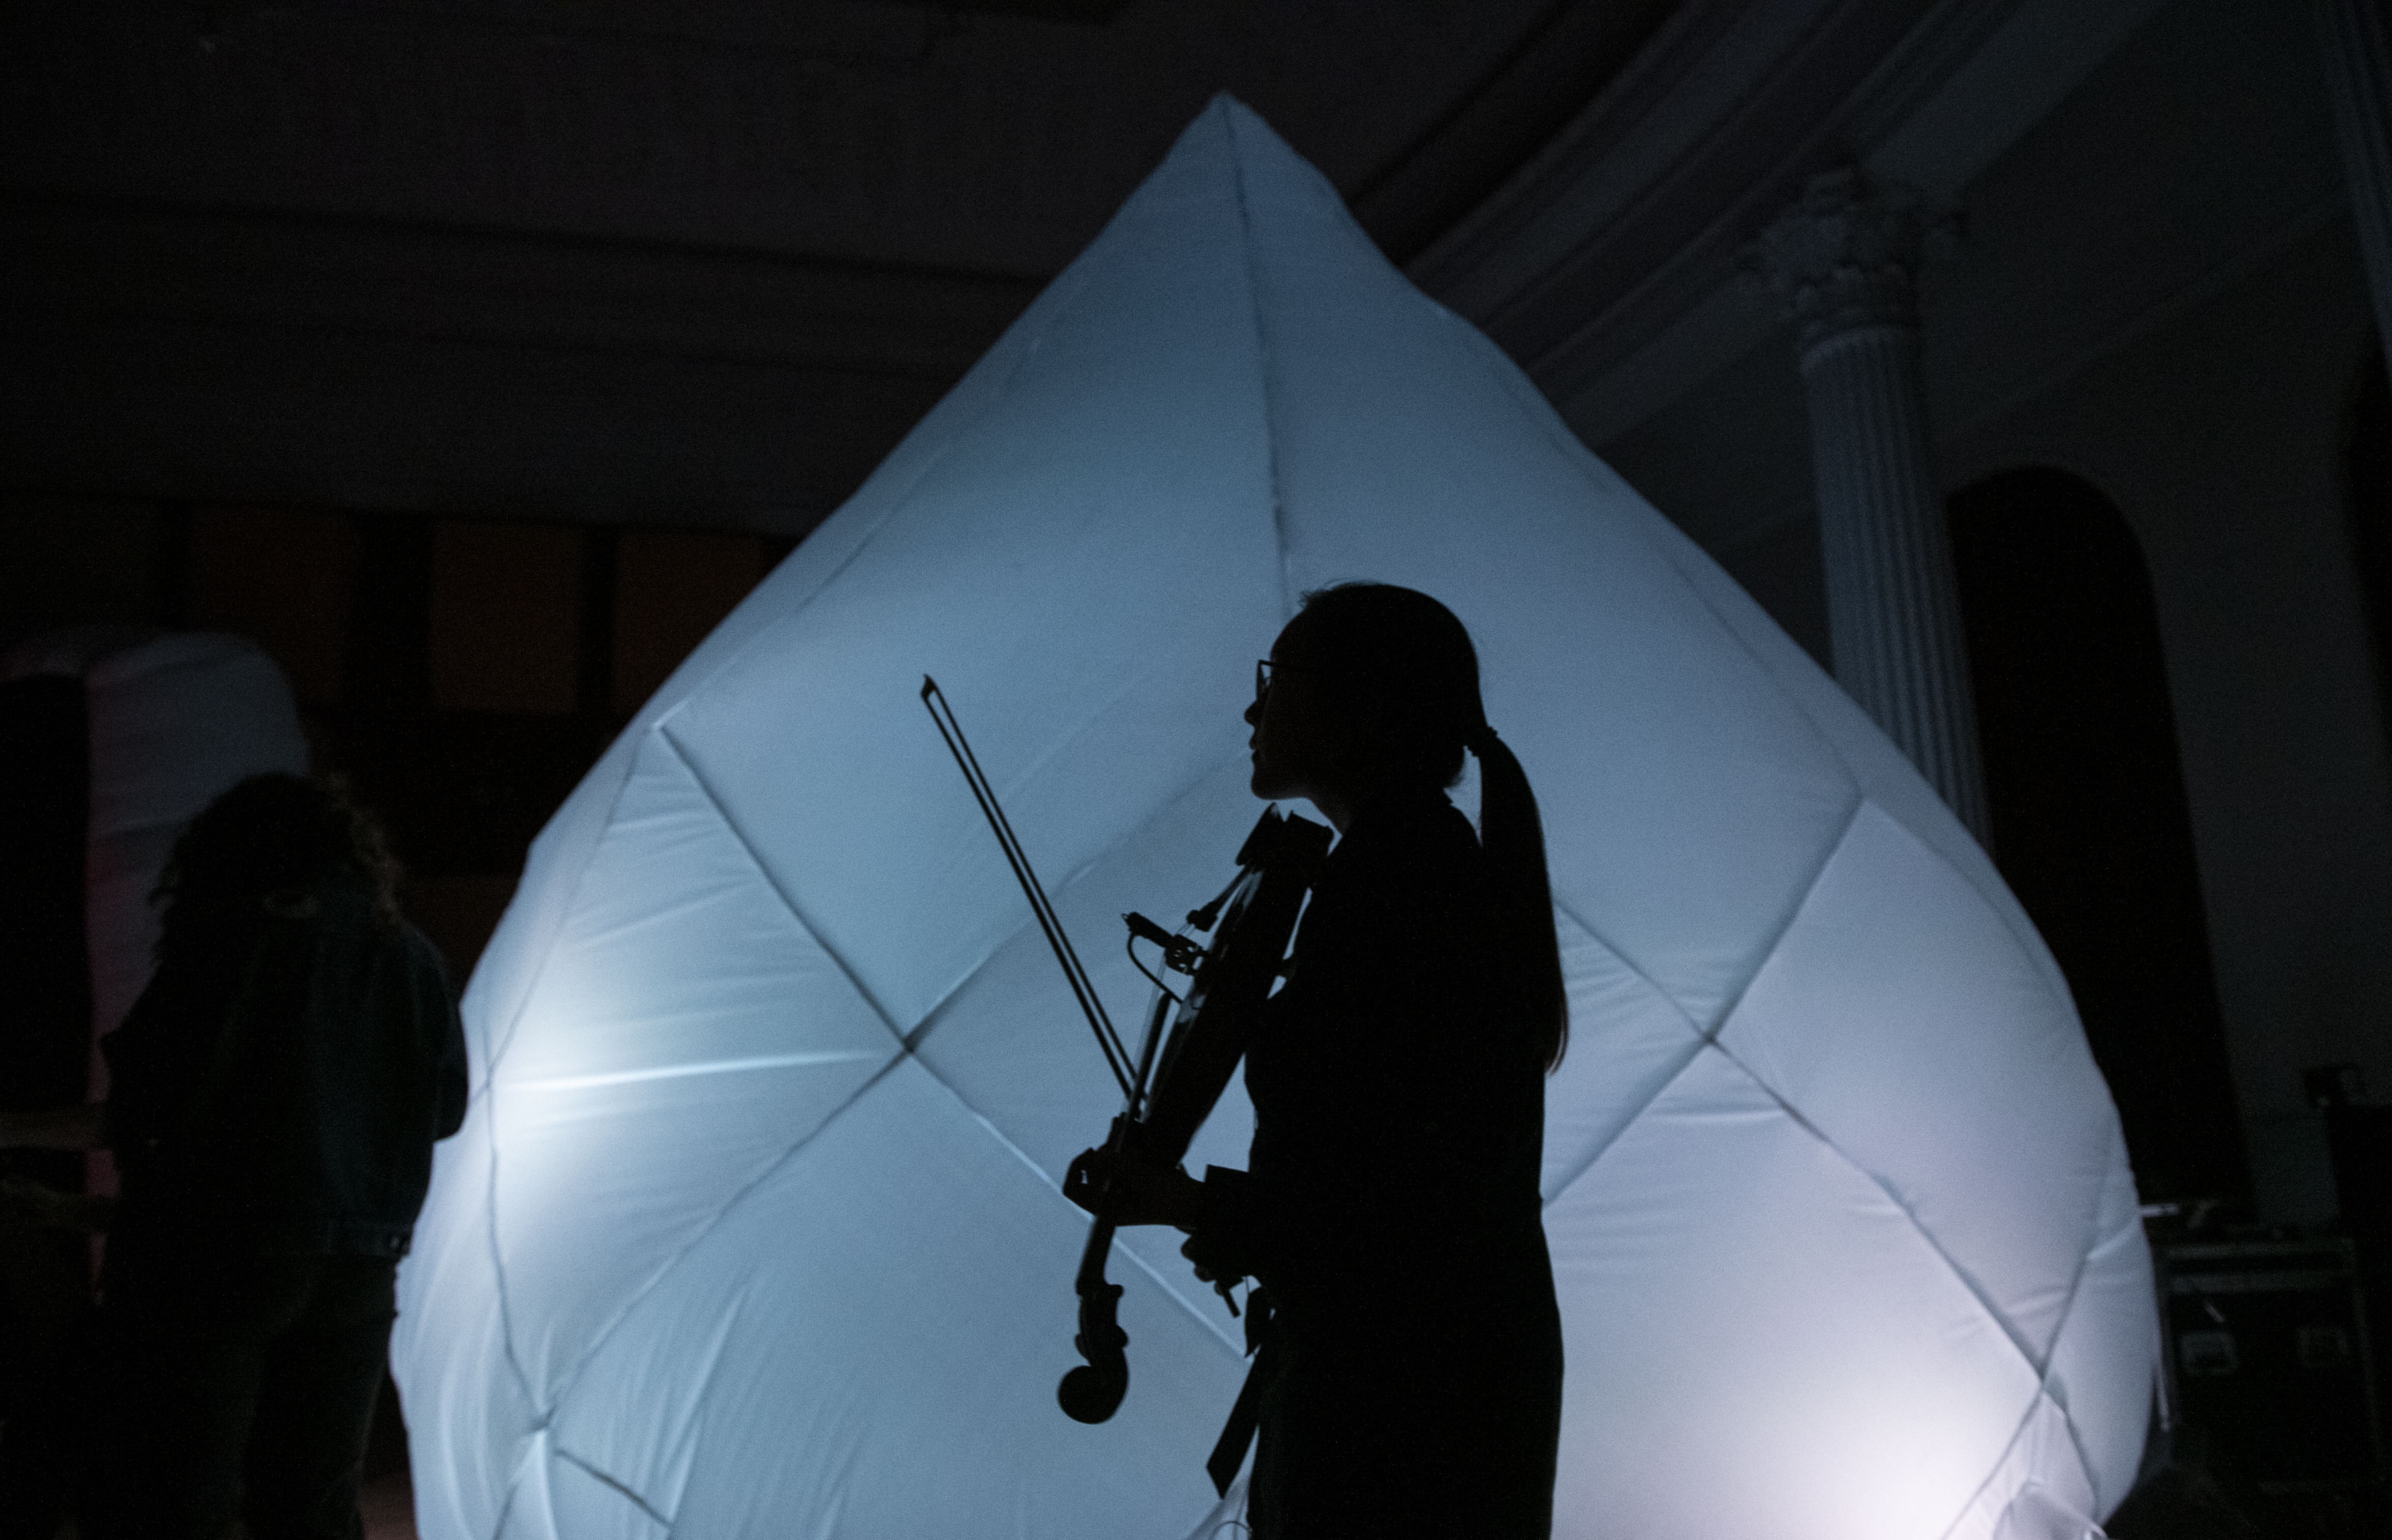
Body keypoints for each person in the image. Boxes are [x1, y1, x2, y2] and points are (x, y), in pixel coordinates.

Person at [1066, 583, 1567, 1539]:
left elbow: (1404, 1219)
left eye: (1277, 679)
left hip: (1405, 1431)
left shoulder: (1403, 894)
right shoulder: (1391, 876)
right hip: (1410, 1409)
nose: (1254, 709)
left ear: (1364, 704)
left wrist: (1186, 1202)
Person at [0, 773, 468, 1540]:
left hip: (217, 1267)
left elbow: (151, 1106)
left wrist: (13, 1129)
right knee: (312, 1508)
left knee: (180, 1500)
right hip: (356, 1271)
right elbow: (442, 1113)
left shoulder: (236, 940)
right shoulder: (411, 957)